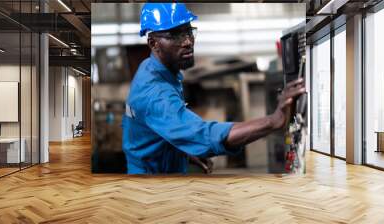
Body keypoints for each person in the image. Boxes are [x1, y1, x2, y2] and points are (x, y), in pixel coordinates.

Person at [121, 3, 305, 174]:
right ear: (153, 44)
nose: (187, 42)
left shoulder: (153, 68)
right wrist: (274, 120)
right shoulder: (155, 93)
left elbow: (156, 128)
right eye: (175, 35)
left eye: (189, 32)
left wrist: (183, 152)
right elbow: (204, 135)